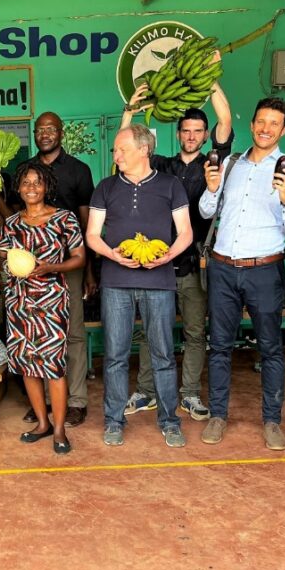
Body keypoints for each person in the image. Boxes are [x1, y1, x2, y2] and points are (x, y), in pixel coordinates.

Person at [121, 62, 233, 421]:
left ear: (205, 135)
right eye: (186, 130)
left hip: (195, 263)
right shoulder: (161, 166)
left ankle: (189, 395)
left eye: (198, 131)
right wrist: (129, 114)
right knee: (150, 333)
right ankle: (147, 391)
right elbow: (127, 151)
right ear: (178, 132)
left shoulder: (213, 163)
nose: (191, 136)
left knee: (196, 332)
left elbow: (226, 121)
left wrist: (208, 79)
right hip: (158, 263)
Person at [198, 97, 285, 451]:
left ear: (284, 130)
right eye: (261, 121)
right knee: (218, 346)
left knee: (270, 347)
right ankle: (218, 415)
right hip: (223, 267)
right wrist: (212, 187)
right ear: (252, 124)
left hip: (264, 270)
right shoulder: (231, 164)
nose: (265, 129)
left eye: (274, 124)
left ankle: (272, 420)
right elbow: (205, 210)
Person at [86, 125, 192, 447]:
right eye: (115, 150)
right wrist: (112, 253)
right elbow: (92, 234)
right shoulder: (105, 188)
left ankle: (170, 421)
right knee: (116, 355)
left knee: (162, 354)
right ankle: (114, 420)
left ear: (144, 150)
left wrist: (167, 257)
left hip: (159, 282)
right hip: (116, 281)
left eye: (122, 150)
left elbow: (185, 232)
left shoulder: (170, 185)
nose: (116, 155)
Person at [0, 112, 94, 428]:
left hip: (64, 267)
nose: (46, 133)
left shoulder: (78, 170)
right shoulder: (24, 172)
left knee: (72, 336)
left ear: (60, 132)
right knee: (29, 342)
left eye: (51, 129)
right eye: (40, 129)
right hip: (26, 275)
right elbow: (14, 217)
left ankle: (75, 401)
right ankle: (44, 407)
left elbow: (86, 223)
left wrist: (89, 269)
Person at [0, 161, 86, 454]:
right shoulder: (11, 223)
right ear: (19, 188)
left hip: (51, 301)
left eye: (37, 182)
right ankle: (42, 423)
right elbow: (5, 259)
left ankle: (59, 429)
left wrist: (51, 266)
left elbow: (79, 258)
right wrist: (10, 270)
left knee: (53, 367)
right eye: (26, 183)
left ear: (47, 185)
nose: (32, 187)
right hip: (20, 302)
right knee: (28, 366)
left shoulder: (65, 218)